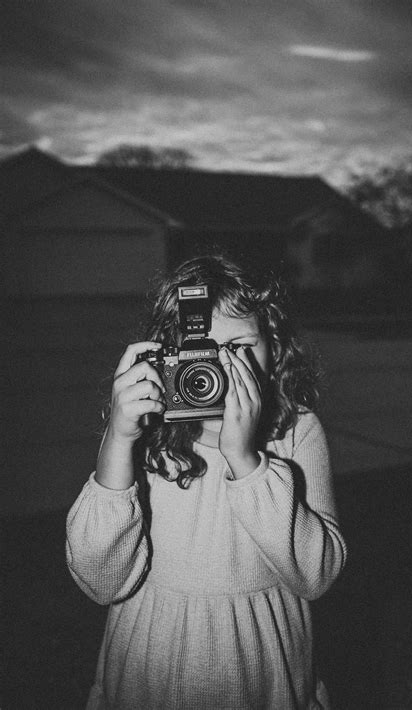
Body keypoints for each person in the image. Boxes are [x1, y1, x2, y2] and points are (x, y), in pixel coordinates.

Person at [66, 254, 347, 710]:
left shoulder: (296, 432)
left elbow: (316, 576)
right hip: (148, 671)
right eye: (204, 351)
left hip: (264, 672)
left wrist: (245, 460)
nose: (220, 368)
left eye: (241, 346)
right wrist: (119, 440)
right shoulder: (146, 433)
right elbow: (100, 581)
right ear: (168, 357)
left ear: (273, 349)